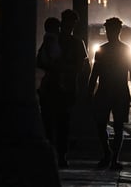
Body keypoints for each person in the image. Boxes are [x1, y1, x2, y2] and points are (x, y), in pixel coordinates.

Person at [36, 10, 90, 168]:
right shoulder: (57, 40)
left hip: (63, 87)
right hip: (57, 87)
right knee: (56, 123)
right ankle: (56, 155)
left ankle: (58, 155)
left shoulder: (73, 42)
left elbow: (80, 67)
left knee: (59, 123)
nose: (69, 25)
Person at [87, 17, 131, 170]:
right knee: (106, 125)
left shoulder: (106, 50)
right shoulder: (118, 50)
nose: (109, 32)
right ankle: (110, 155)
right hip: (116, 92)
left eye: (111, 29)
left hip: (112, 91)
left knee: (114, 126)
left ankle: (111, 157)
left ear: (117, 31)